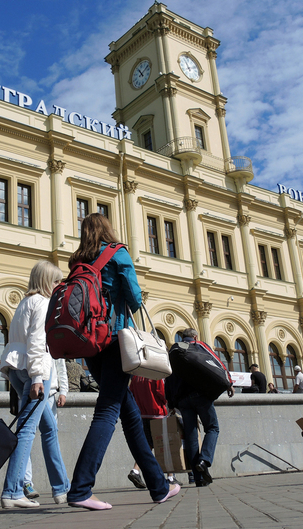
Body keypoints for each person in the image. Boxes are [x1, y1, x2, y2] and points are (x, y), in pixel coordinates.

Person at [66, 213, 179, 510]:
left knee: (129, 416)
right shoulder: (117, 253)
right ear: (106, 229)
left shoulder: (78, 262)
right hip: (116, 341)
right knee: (106, 414)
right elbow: (134, 297)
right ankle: (80, 489)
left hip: (91, 346)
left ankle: (158, 486)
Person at [0, 260, 69, 509]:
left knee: (49, 429)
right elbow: (39, 341)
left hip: (17, 368)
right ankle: (13, 491)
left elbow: (19, 339)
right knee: (28, 430)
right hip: (35, 369)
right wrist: (39, 377)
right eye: (56, 281)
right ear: (46, 282)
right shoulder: (44, 303)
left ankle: (62, 488)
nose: (59, 286)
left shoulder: (25, 302)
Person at [166, 328, 234, 488]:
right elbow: (216, 362)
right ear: (195, 336)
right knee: (212, 428)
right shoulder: (199, 345)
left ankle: (198, 478)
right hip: (201, 396)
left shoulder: (174, 352)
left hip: (183, 401)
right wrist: (228, 382)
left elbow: (168, 377)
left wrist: (170, 403)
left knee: (190, 437)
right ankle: (204, 460)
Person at [23, 358, 68, 500]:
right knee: (28, 437)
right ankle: (26, 483)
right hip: (33, 387)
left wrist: (63, 391)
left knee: (45, 436)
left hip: (49, 392)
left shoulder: (53, 338)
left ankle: (61, 487)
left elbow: (60, 365)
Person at [128, 375, 174, 488]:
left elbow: (131, 394)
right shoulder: (155, 374)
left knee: (147, 445)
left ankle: (136, 470)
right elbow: (163, 394)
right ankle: (170, 477)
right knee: (165, 445)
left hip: (143, 414)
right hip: (158, 413)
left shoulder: (135, 377)